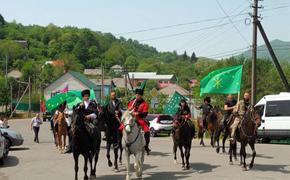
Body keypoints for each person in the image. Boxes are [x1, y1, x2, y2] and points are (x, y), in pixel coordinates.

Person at [122, 88, 151, 155]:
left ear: (141, 96)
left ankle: (146, 146)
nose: (137, 96)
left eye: (138, 95)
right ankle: (122, 143)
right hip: (130, 118)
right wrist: (129, 110)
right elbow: (128, 110)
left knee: (147, 131)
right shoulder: (132, 102)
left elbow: (145, 113)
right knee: (121, 127)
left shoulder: (144, 104)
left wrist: (137, 114)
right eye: (136, 95)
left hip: (139, 119)